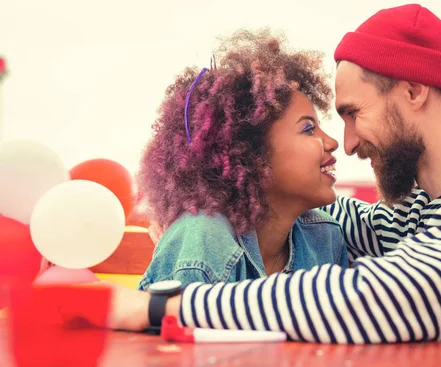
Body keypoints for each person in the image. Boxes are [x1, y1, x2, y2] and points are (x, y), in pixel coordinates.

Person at [78, 4, 441, 344]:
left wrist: (158, 305)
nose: (348, 142)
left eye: (353, 112)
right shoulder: (416, 214)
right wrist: (213, 196)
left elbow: (382, 300)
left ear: (415, 90)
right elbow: (283, 197)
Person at [134, 28, 348, 290]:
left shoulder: (324, 237)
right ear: (254, 156)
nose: (332, 142)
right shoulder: (202, 241)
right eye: (308, 129)